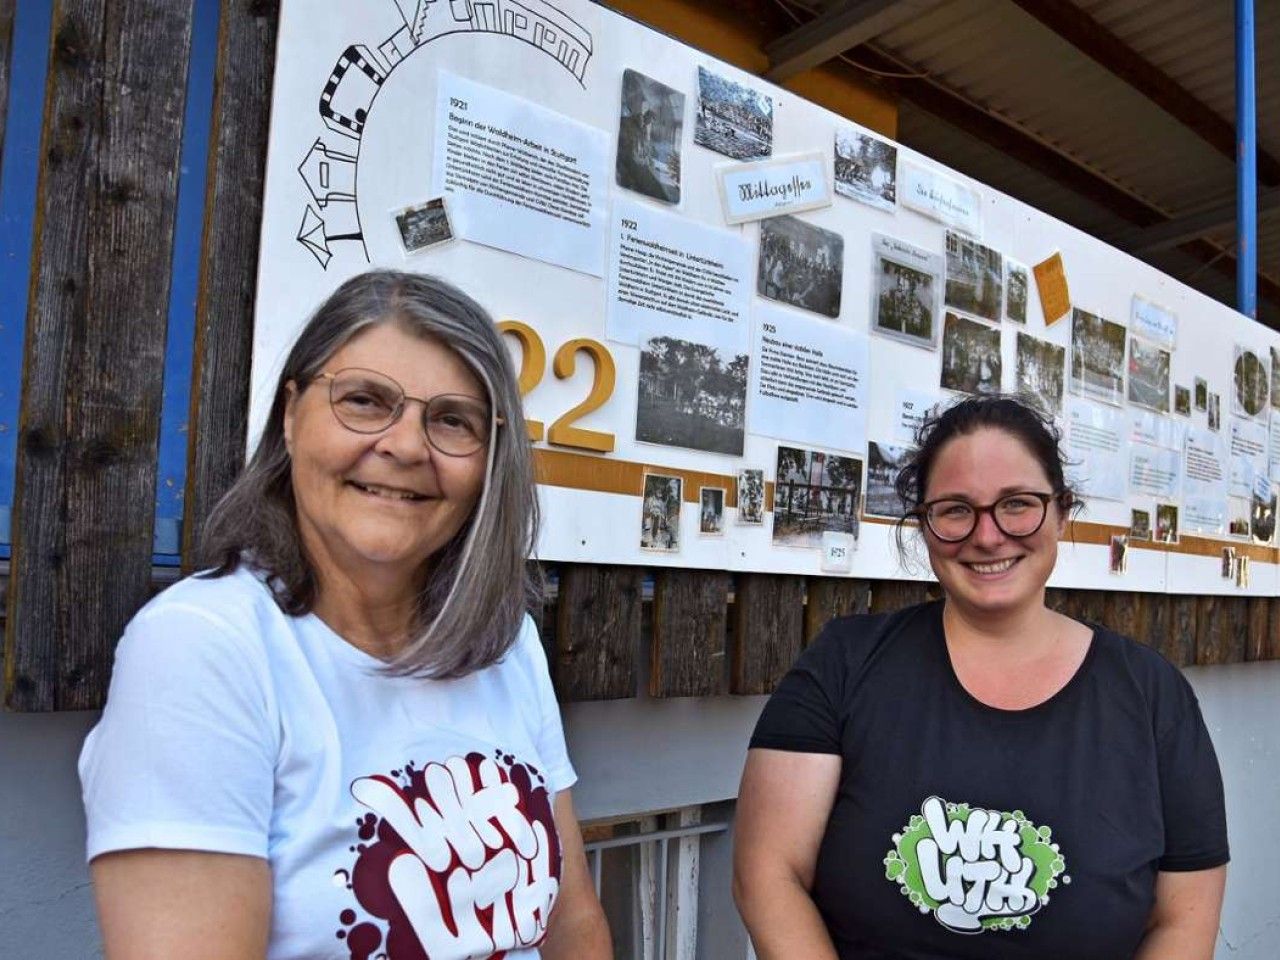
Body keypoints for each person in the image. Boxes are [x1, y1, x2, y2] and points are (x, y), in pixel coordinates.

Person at [79, 270, 611, 960]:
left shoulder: (506, 644)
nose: (407, 445)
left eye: (453, 419)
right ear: (293, 415)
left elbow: (574, 927)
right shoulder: (202, 647)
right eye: (365, 400)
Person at [733, 395, 1227, 959]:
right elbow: (767, 875)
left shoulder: (1154, 695)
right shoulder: (845, 663)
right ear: (924, 526)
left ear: (1061, 511)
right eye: (955, 509)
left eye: (1016, 504)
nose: (988, 536)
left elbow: (1184, 920)